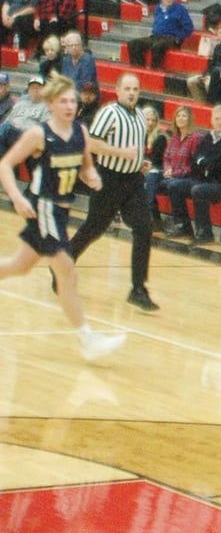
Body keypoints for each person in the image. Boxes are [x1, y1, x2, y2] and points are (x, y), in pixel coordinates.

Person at [0, 74, 123, 359]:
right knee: (66, 270)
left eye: (72, 100)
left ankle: (87, 339)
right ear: (51, 104)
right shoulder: (38, 134)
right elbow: (5, 165)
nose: (69, 105)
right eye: (63, 101)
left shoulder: (79, 131)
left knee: (21, 266)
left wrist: (90, 175)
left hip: (60, 210)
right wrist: (16, 197)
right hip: (41, 207)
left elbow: (85, 166)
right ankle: (87, 340)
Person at [66, 72, 158, 311]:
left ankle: (138, 288)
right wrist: (121, 154)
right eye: (127, 88)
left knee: (144, 228)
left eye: (135, 89)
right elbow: (92, 143)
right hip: (109, 180)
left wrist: (138, 162)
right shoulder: (109, 112)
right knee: (93, 229)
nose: (131, 93)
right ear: (117, 90)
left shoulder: (139, 115)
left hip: (133, 181)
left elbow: (133, 149)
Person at [162, 105, 221, 247]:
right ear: (211, 120)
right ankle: (183, 226)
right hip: (207, 181)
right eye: (217, 119)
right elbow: (195, 160)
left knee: (198, 190)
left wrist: (205, 162)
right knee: (175, 185)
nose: (220, 122)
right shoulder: (208, 137)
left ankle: (205, 233)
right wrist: (205, 163)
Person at [125, 0, 193, 68]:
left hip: (171, 38)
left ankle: (155, 71)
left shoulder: (181, 9)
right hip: (155, 36)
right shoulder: (158, 8)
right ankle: (139, 69)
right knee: (133, 44)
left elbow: (189, 28)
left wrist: (178, 38)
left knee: (157, 47)